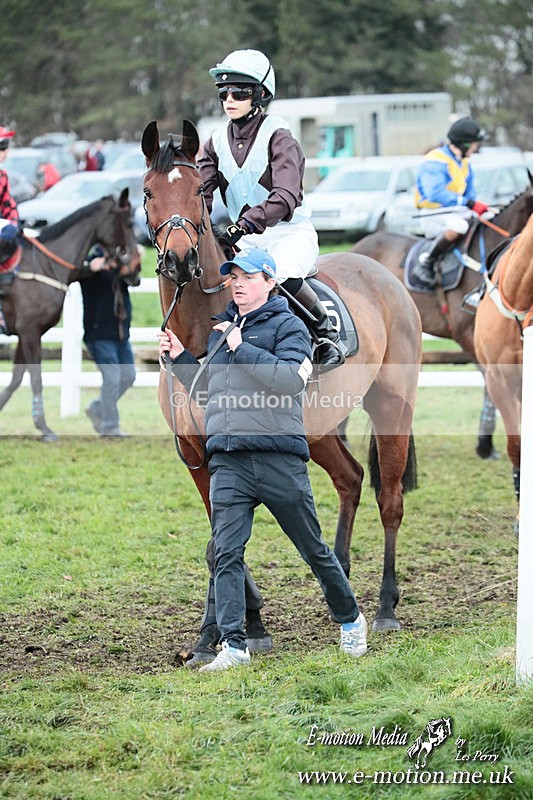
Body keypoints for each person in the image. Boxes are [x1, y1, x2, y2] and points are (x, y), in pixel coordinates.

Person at [158, 247, 367, 673]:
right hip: (229, 461)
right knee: (227, 553)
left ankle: (350, 620)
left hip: (278, 460)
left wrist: (241, 348)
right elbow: (206, 392)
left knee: (314, 550)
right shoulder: (221, 331)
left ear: (270, 282)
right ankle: (234, 646)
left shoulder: (291, 327)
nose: (237, 283)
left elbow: (290, 381)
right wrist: (179, 357)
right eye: (234, 277)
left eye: (248, 277)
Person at [198, 49, 345, 369]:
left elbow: (286, 196)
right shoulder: (214, 141)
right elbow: (201, 192)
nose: (229, 99)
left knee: (277, 275)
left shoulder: (279, 136)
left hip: (289, 233)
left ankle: (325, 334)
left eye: (240, 92)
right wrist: (199, 225)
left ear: (261, 95)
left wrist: (243, 224)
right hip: (246, 239)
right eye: (224, 93)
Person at [411, 116, 490, 288]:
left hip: (455, 211)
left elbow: (470, 193)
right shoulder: (435, 160)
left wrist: (477, 206)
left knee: (490, 217)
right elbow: (435, 193)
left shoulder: (464, 163)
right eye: (475, 144)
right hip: (433, 213)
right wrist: (468, 203)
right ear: (465, 144)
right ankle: (426, 261)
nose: (476, 148)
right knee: (460, 227)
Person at [80, 245, 136, 437]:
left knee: (128, 376)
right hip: (99, 334)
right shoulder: (90, 262)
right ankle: (110, 426)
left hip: (121, 333)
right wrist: (90, 267)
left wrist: (132, 261)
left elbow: (134, 279)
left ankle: (97, 407)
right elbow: (74, 272)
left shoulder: (120, 260)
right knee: (112, 379)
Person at [0, 125, 21, 333]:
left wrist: (14, 223)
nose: (6, 151)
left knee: (12, 234)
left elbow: (8, 204)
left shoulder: (3, 176)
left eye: (5, 146)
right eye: (2, 146)